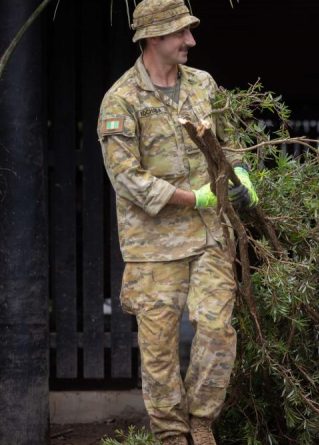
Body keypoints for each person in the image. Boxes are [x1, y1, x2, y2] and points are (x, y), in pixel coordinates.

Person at [96, 1, 257, 444]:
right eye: (180, 33)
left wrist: (241, 174)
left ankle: (201, 421)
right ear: (152, 39)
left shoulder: (203, 85)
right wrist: (194, 197)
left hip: (209, 237)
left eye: (189, 31)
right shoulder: (121, 99)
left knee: (218, 329)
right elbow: (127, 178)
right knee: (160, 348)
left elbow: (231, 142)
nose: (191, 40)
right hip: (153, 246)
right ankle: (170, 434)